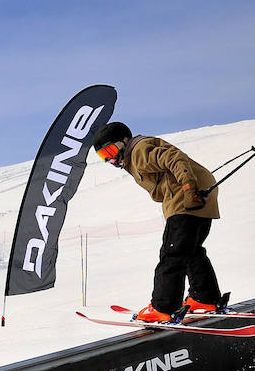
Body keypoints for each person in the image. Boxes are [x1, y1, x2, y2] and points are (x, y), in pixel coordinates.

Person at [91, 121, 228, 323]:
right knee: (191, 250)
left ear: (124, 142)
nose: (110, 159)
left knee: (172, 255)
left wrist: (189, 187)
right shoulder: (137, 153)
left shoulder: (138, 150)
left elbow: (174, 158)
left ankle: (164, 307)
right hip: (200, 198)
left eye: (110, 150)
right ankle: (204, 297)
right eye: (104, 156)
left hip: (187, 199)